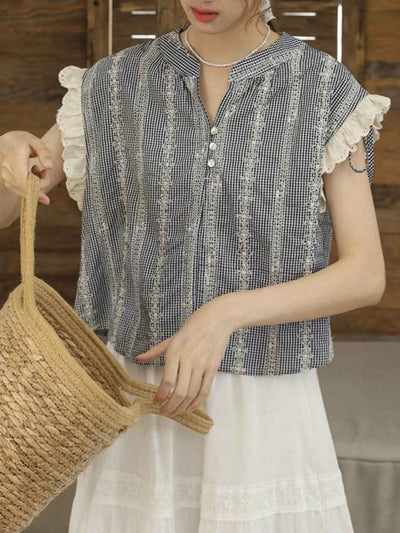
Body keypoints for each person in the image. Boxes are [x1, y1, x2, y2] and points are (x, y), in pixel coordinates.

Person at [0, 1, 391, 531]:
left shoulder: (324, 90)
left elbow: (365, 275)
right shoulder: (113, 84)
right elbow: (12, 205)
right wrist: (9, 151)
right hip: (139, 400)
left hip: (263, 402)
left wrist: (223, 314)